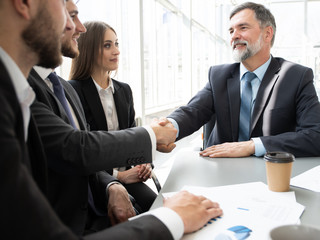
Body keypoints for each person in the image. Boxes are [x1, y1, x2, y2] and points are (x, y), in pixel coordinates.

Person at [0, 0, 222, 239]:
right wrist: (170, 217)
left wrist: (111, 185)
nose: (77, 27)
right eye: (65, 8)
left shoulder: (39, 90)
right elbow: (76, 147)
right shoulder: (19, 94)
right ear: (24, 3)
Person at [27, 0, 174, 235]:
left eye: (116, 44)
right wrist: (149, 138)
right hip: (72, 216)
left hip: (104, 188)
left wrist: (118, 181)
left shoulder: (64, 88)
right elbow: (78, 148)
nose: (79, 27)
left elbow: (89, 150)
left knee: (161, 206)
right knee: (166, 217)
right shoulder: (40, 88)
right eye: (71, 15)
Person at [161, 2, 320, 158]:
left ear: (267, 33)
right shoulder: (219, 76)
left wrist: (253, 146)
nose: (234, 36)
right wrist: (167, 128)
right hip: (221, 169)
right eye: (231, 31)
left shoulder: (295, 77)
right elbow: (193, 111)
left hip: (270, 172)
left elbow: (318, 137)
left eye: (243, 27)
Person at [68, 21, 156, 214]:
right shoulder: (73, 91)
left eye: (116, 44)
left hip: (129, 176)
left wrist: (144, 164)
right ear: (89, 49)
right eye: (107, 45)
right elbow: (82, 151)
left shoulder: (124, 90)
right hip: (98, 181)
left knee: (157, 206)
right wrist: (120, 176)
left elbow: (132, 135)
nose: (116, 51)